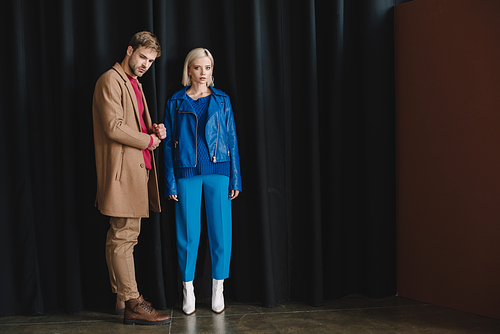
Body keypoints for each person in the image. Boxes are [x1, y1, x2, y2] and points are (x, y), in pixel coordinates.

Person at [92, 31, 170, 326]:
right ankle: (133, 303)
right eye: (141, 57)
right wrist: (148, 142)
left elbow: (134, 123)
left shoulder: (134, 83)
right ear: (129, 50)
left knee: (124, 237)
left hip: (136, 171)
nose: (145, 65)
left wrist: (154, 129)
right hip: (121, 173)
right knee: (124, 237)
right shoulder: (110, 80)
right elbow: (114, 126)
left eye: (150, 61)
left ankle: (121, 297)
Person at [163, 48, 242, 315]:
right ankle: (188, 290)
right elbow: (168, 144)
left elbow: (231, 139)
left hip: (218, 171)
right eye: (198, 68)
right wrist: (171, 181)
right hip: (186, 172)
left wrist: (235, 178)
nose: (203, 73)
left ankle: (218, 289)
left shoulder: (222, 100)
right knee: (188, 234)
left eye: (207, 68)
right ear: (189, 70)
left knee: (221, 232)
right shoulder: (176, 101)